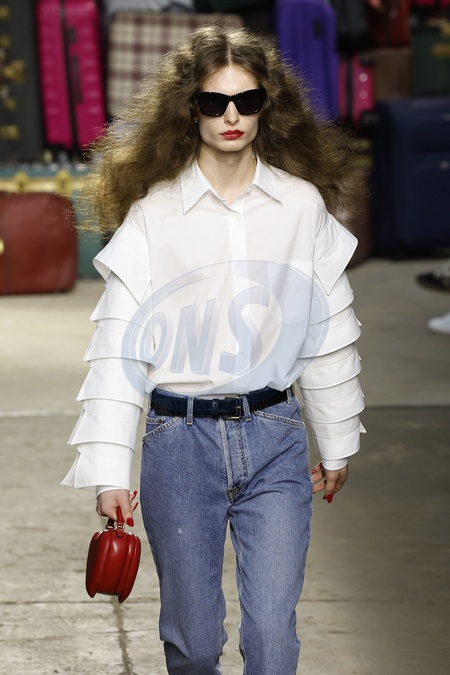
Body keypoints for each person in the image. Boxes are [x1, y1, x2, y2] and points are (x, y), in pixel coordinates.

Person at [62, 26, 365, 674]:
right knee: (194, 644)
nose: (231, 115)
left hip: (275, 437)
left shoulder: (300, 206)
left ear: (267, 107)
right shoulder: (154, 214)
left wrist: (337, 437)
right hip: (179, 446)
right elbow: (118, 347)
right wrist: (110, 468)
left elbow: (328, 326)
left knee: (273, 641)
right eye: (213, 101)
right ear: (189, 109)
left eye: (247, 100)